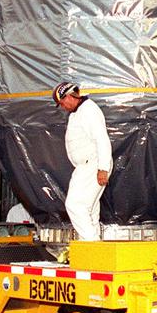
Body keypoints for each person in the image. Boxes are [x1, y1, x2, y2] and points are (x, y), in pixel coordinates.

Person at [53, 81, 113, 240]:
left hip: (93, 163)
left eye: (62, 102)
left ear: (69, 96)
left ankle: (92, 245)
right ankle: (91, 245)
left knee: (75, 205)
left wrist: (103, 168)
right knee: (89, 210)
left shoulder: (88, 110)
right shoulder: (78, 112)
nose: (62, 107)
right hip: (86, 165)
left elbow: (101, 139)